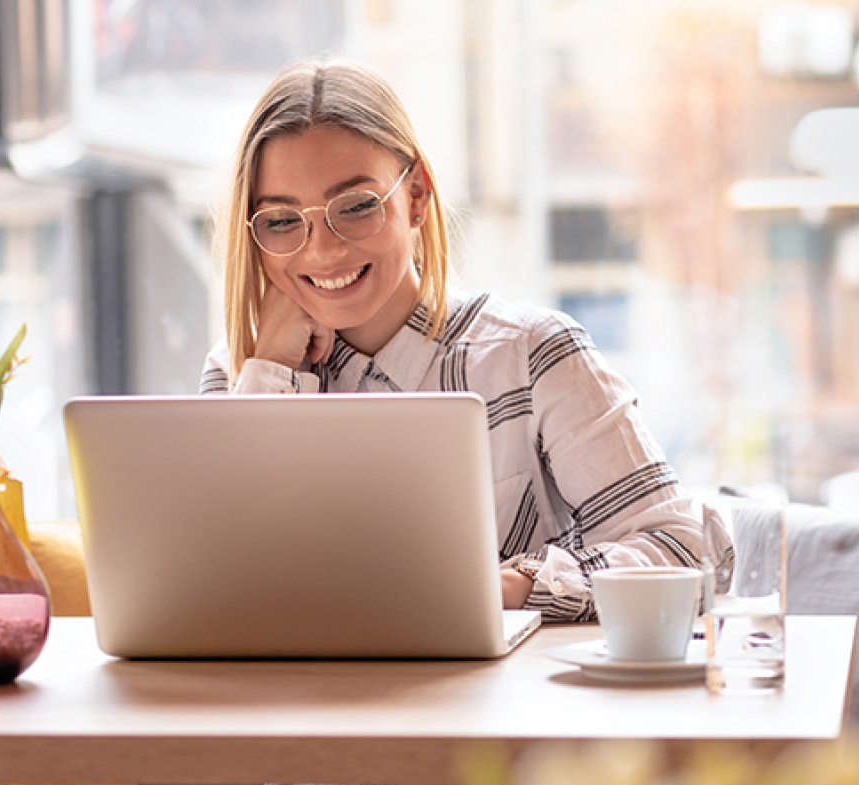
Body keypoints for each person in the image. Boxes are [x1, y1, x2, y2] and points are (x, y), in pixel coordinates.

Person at [200, 58, 733, 622]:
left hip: (496, 705)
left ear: (418, 196)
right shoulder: (240, 370)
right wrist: (273, 371)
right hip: (302, 706)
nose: (323, 251)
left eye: (356, 207)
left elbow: (684, 550)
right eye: (282, 221)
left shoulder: (531, 355)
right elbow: (212, 586)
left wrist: (516, 586)